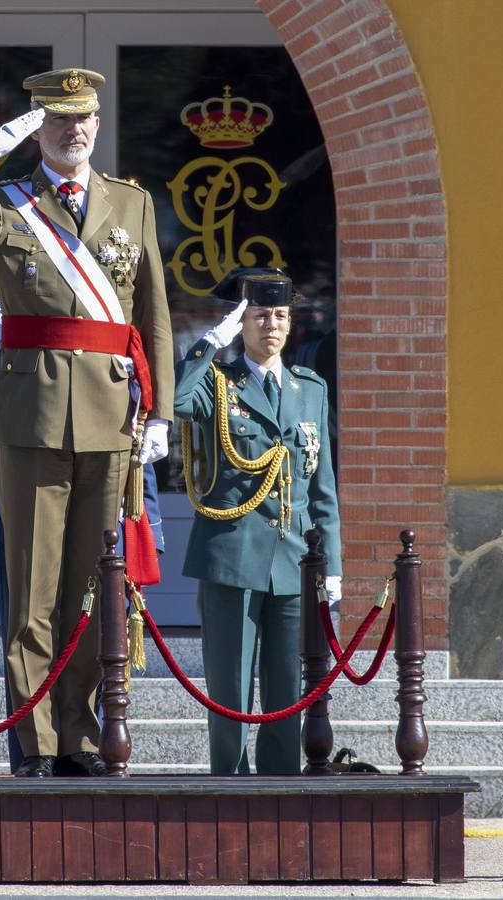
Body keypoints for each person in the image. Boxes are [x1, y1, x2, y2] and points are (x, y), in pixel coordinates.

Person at [0, 69, 174, 778]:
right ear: (38, 130)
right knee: (32, 591)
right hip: (30, 416)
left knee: (93, 586)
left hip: (112, 417)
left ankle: (81, 735)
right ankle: (36, 742)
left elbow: (153, 313)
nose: (74, 129)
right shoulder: (6, 205)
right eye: (59, 119)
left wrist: (161, 414)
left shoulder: (130, 203)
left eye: (84, 117)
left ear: (97, 123)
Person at [0, 304, 167, 773]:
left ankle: (83, 743)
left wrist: (151, 535)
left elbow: (136, 452)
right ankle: (35, 750)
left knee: (94, 631)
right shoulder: (21, 351)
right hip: (31, 516)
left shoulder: (114, 351)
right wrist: (3, 316)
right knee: (30, 628)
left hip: (106, 529)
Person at [174, 268, 342, 775]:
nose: (272, 325)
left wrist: (331, 565)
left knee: (286, 686)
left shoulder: (309, 388)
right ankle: (229, 781)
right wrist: (210, 343)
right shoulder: (218, 382)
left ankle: (279, 784)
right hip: (232, 553)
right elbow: (176, 400)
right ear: (242, 324)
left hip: (293, 557)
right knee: (229, 685)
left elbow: (322, 485)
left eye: (281, 316)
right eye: (261, 316)